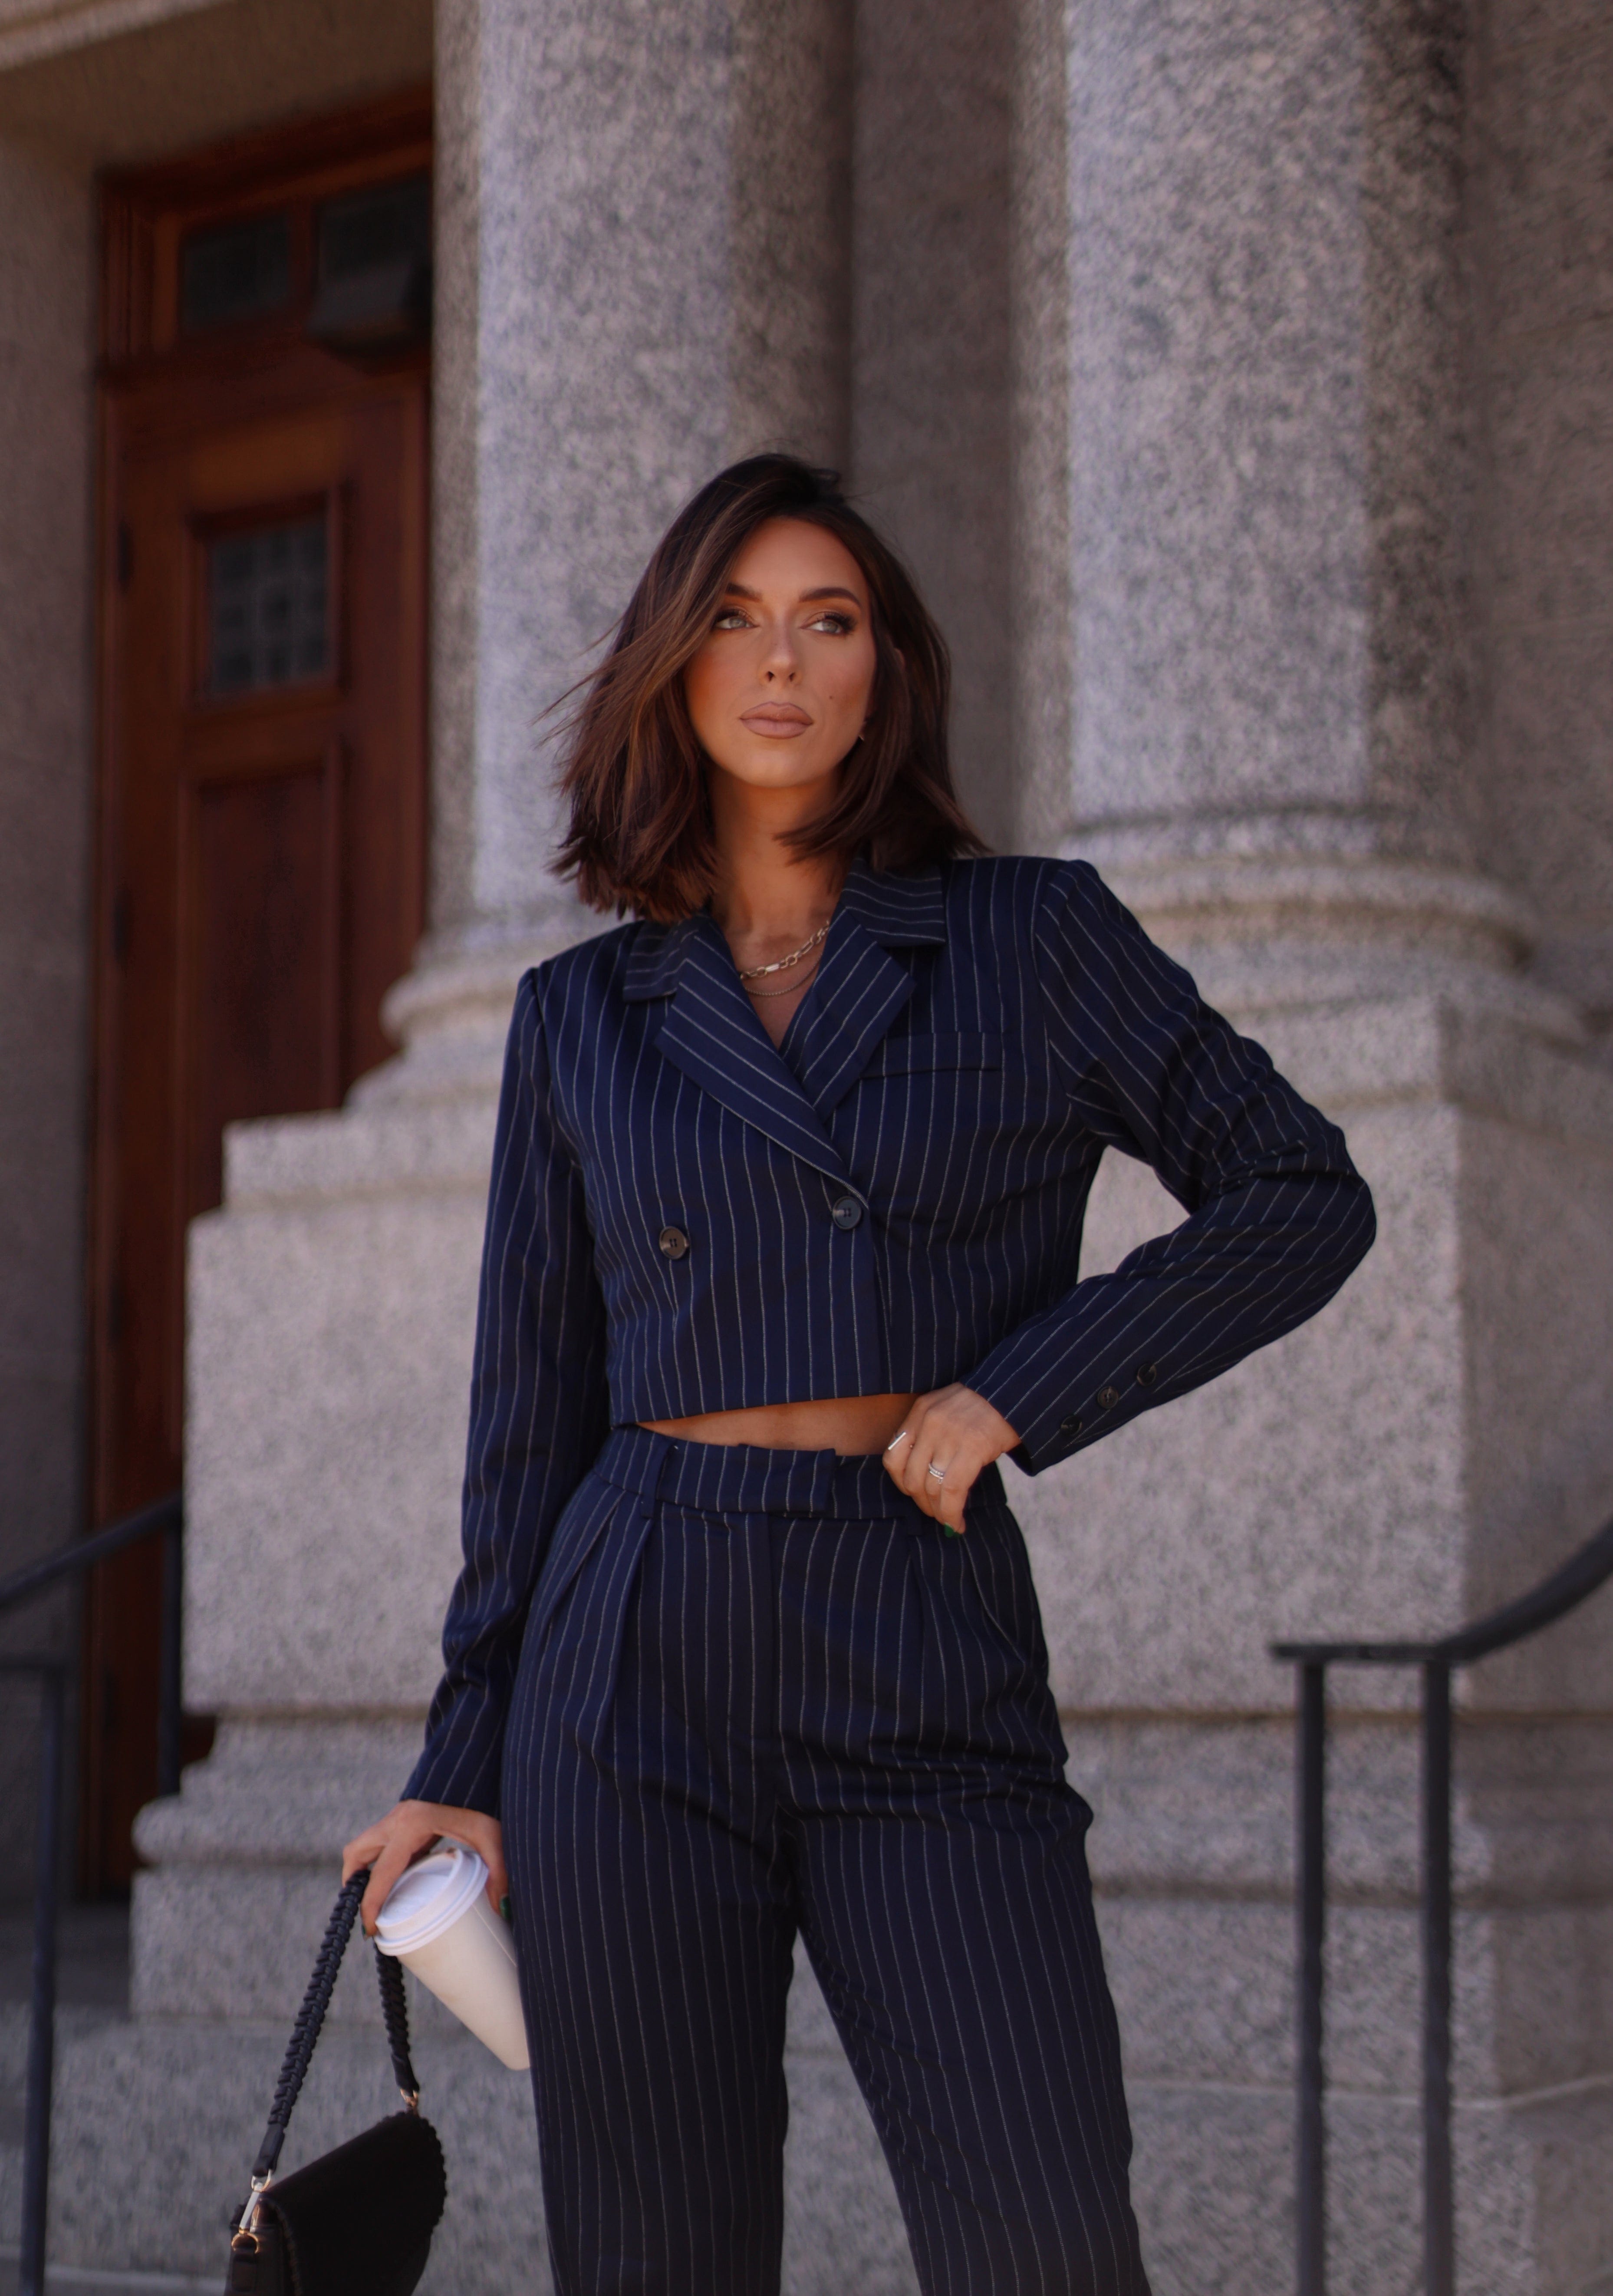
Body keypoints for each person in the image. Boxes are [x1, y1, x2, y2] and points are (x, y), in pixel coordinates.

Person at [344, 454, 1376, 2295]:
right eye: (732, 619)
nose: (780, 661)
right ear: (669, 667)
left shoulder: (1030, 939)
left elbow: (1299, 1189)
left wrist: (1019, 1386)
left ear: (886, 667)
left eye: (829, 620)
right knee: (657, 2252)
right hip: (630, 1637)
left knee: (1041, 2230)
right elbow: (530, 1414)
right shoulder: (579, 1013)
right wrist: (462, 1756)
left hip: (915, 1612)